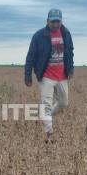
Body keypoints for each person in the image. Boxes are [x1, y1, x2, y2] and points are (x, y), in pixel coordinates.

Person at [24, 8, 74, 143]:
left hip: (62, 76)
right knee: (46, 104)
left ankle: (46, 116)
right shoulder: (39, 36)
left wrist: (71, 69)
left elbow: (70, 52)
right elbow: (30, 56)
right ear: (47, 21)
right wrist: (27, 76)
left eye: (57, 21)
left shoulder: (66, 33)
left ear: (61, 21)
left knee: (64, 103)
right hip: (46, 76)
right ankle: (49, 135)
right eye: (52, 22)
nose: (55, 24)